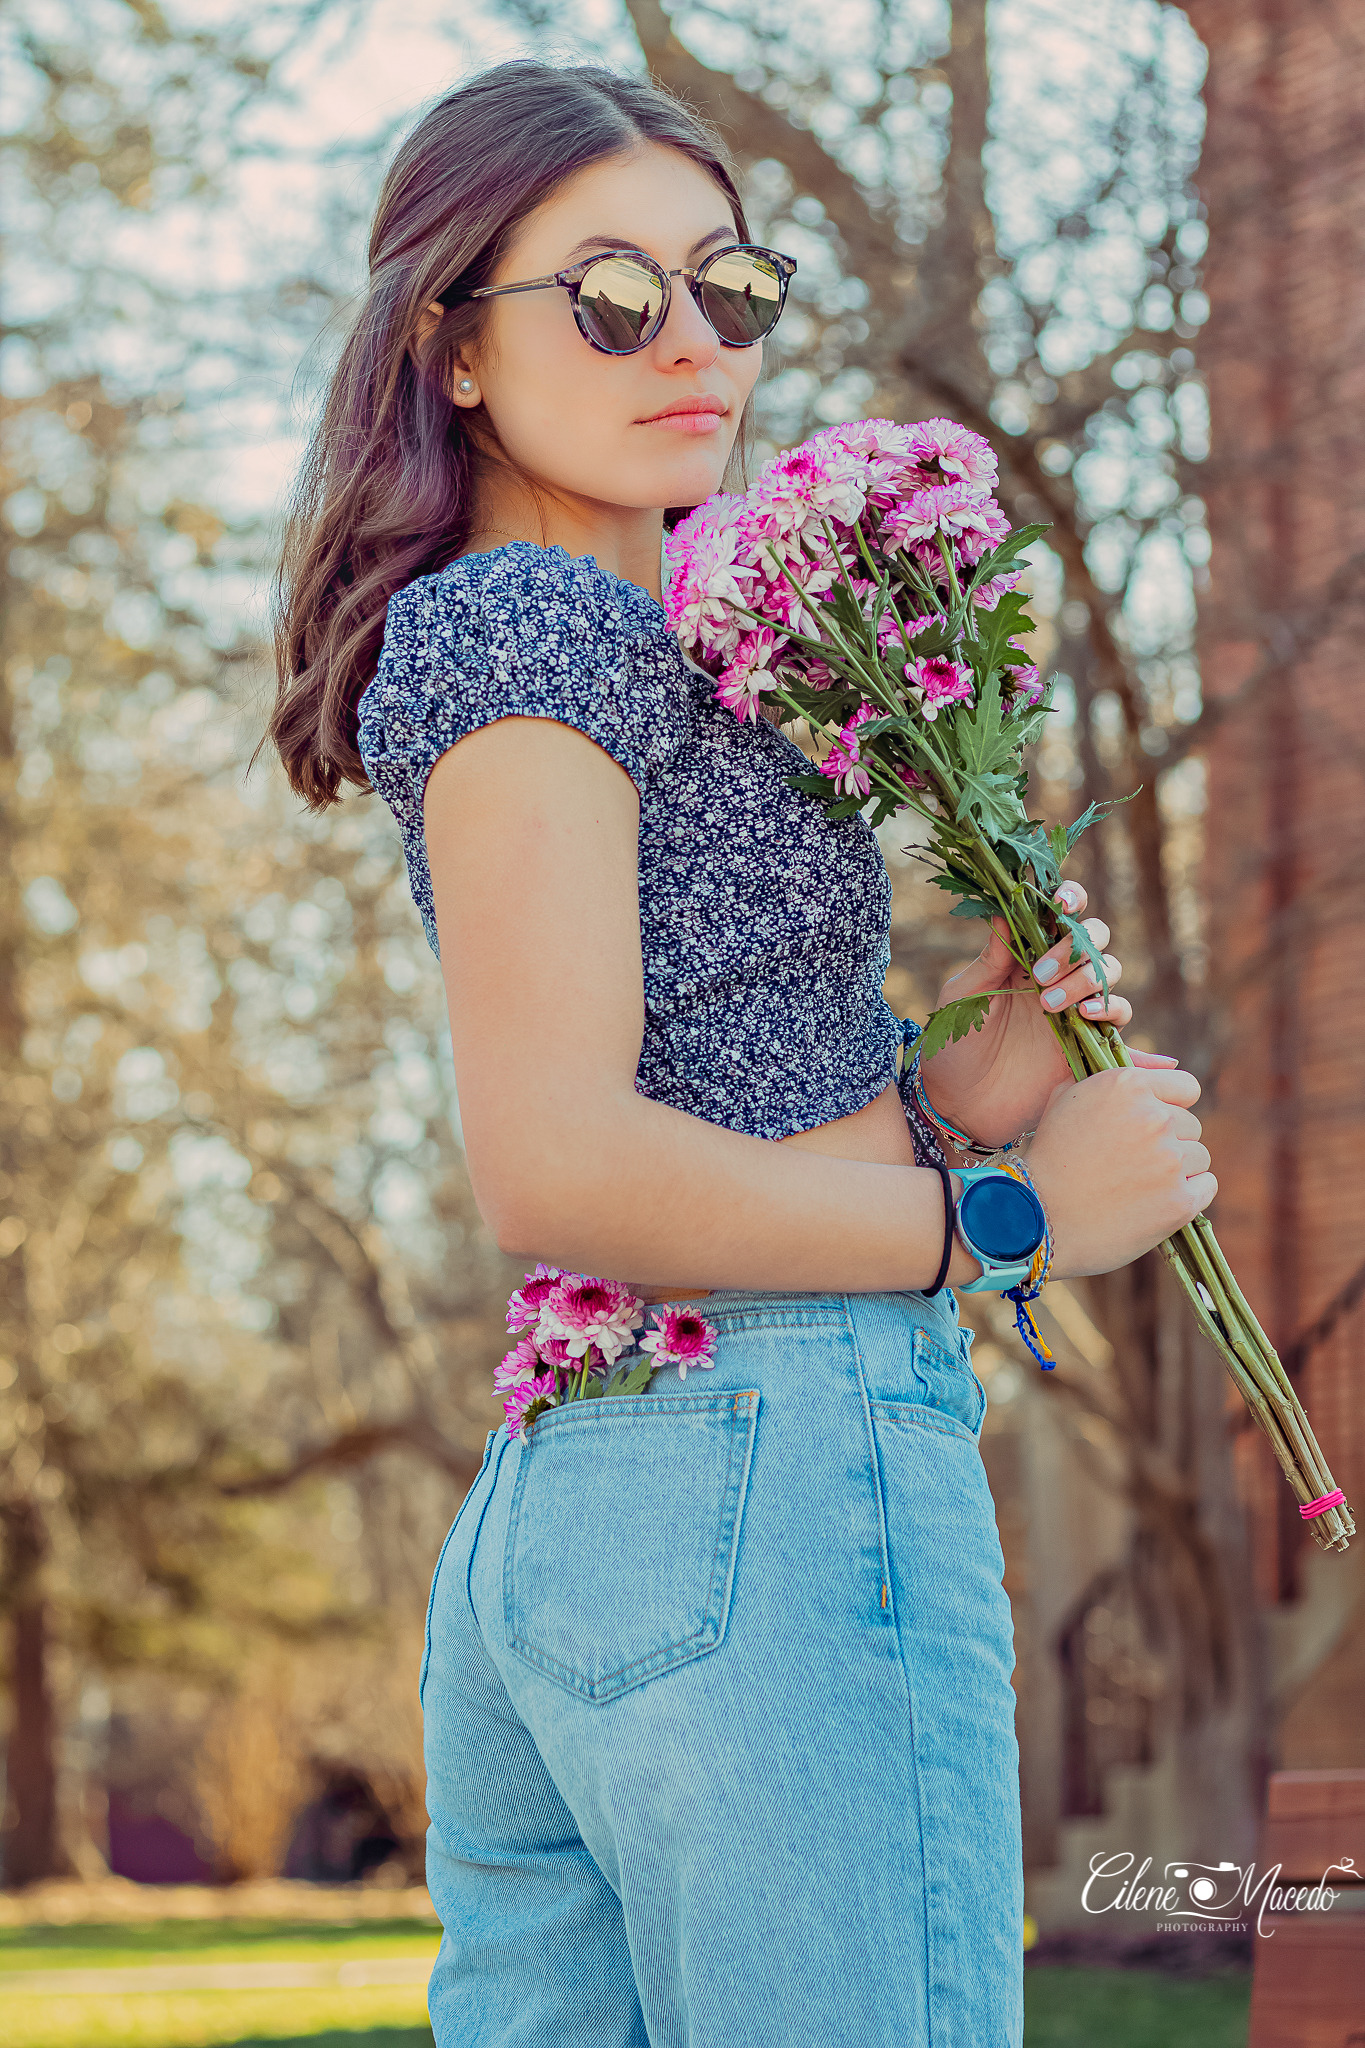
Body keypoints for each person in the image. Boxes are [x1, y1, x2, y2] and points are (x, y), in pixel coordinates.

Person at [268, 58, 1215, 2048]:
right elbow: (556, 1162)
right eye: (608, 295)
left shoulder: (630, 644)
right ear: (450, 344)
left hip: (611, 1488)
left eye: (727, 285)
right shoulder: (532, 630)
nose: (690, 339)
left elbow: (710, 1093)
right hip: (763, 1465)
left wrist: (973, 1083)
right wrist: (1010, 1222)